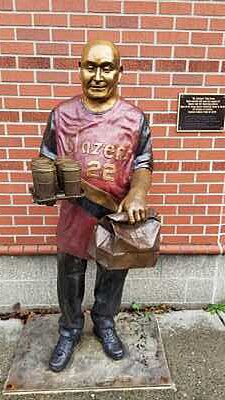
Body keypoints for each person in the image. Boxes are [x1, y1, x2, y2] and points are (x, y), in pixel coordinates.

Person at [39, 40, 153, 373]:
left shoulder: (134, 118)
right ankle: (70, 329)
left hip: (115, 215)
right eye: (91, 66)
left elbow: (144, 162)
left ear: (120, 71)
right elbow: (46, 160)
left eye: (107, 67)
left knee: (113, 274)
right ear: (79, 68)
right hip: (75, 214)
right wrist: (46, 185)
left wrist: (138, 193)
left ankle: (105, 323)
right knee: (70, 277)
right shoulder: (61, 115)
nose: (98, 76)